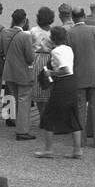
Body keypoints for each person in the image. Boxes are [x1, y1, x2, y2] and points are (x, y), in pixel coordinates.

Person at [36, 25, 83, 159]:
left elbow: (65, 69)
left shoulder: (56, 52)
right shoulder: (69, 49)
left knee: (48, 116)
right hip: (72, 83)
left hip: (62, 84)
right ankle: (77, 150)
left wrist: (51, 72)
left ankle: (48, 149)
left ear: (53, 38)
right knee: (73, 116)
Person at [68, 7, 95, 148]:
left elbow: (68, 58)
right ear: (84, 16)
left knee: (80, 110)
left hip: (78, 76)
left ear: (72, 18)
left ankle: (81, 141)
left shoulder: (69, 33)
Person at [0, 9, 38, 141]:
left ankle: (9, 118)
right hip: (22, 73)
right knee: (23, 101)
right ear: (24, 20)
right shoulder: (25, 36)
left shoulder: (4, 32)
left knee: (12, 97)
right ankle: (22, 130)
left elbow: (0, 50)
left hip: (9, 71)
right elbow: (30, 58)